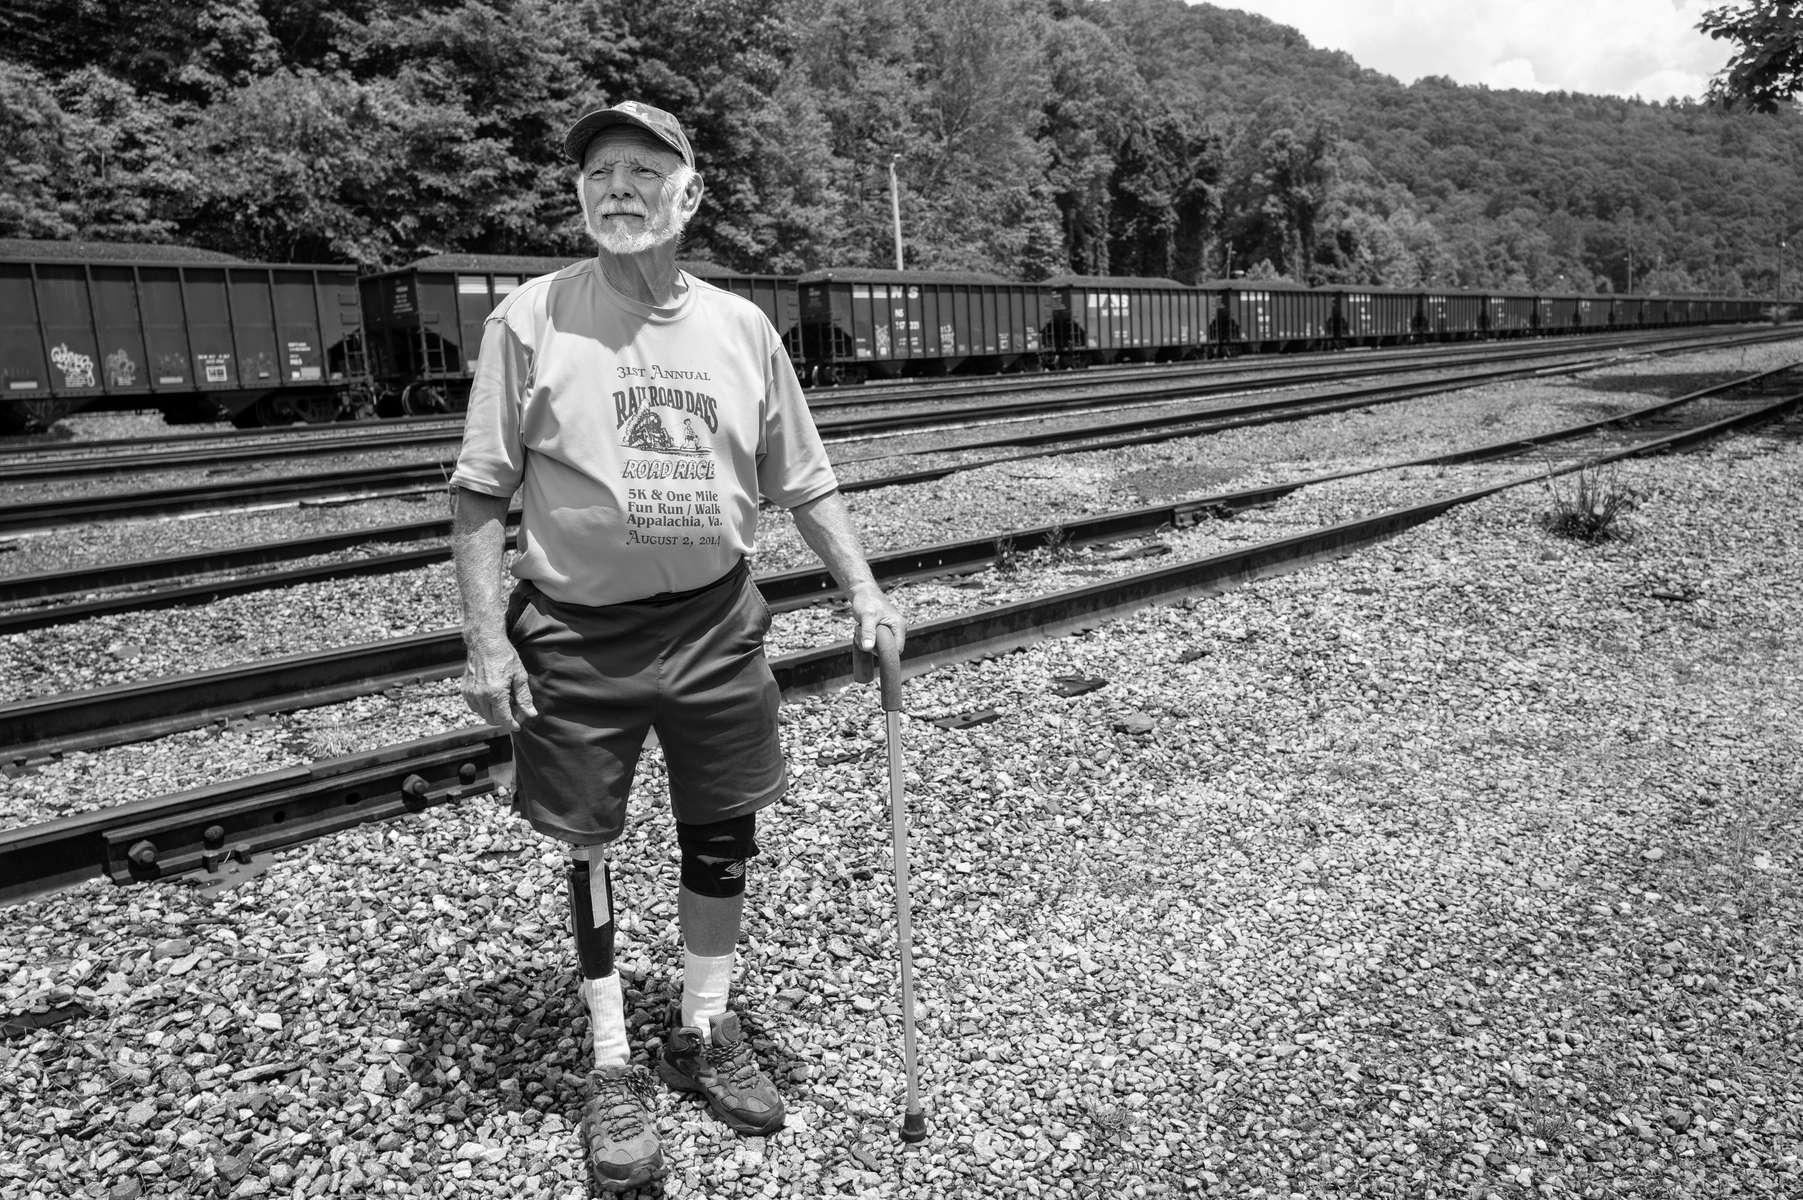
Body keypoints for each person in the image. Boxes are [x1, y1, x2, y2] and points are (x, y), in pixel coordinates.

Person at [447, 99, 905, 1192]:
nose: (619, 188)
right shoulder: (530, 318)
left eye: (645, 171)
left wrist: (864, 587)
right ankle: (610, 1059)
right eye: (601, 171)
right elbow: (478, 492)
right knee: (589, 839)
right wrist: (483, 647)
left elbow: (803, 476)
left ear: (689, 196)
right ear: (578, 194)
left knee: (721, 826)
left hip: (713, 621)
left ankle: (701, 1027)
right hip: (575, 632)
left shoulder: (741, 330)